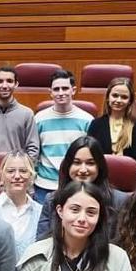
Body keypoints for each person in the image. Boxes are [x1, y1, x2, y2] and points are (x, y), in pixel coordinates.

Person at [35, 136, 130, 238]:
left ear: (100, 167)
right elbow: (41, 243)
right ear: (67, 166)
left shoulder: (120, 201)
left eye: (90, 163)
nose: (83, 169)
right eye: (77, 162)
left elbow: (122, 243)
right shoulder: (52, 200)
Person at [33, 70, 93, 202]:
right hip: (44, 186)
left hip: (75, 185)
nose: (60, 93)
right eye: (56, 89)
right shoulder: (39, 119)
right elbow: (35, 154)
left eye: (65, 88)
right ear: (50, 92)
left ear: (73, 90)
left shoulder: (87, 120)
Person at [0, 150, 42, 258]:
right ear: (2, 176)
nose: (17, 176)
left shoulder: (41, 213)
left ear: (31, 176)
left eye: (23, 171)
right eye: (10, 171)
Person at [86, 77, 136, 165]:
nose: (118, 100)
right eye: (115, 95)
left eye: (124, 97)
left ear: (130, 101)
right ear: (108, 97)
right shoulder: (96, 124)